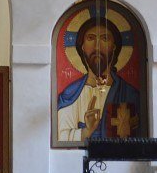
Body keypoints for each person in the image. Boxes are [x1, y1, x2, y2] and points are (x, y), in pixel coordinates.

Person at [57, 14, 142, 143]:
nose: (97, 46)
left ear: (114, 46)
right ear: (82, 46)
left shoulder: (129, 93)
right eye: (91, 38)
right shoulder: (70, 96)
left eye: (105, 38)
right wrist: (87, 131)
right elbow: (61, 137)